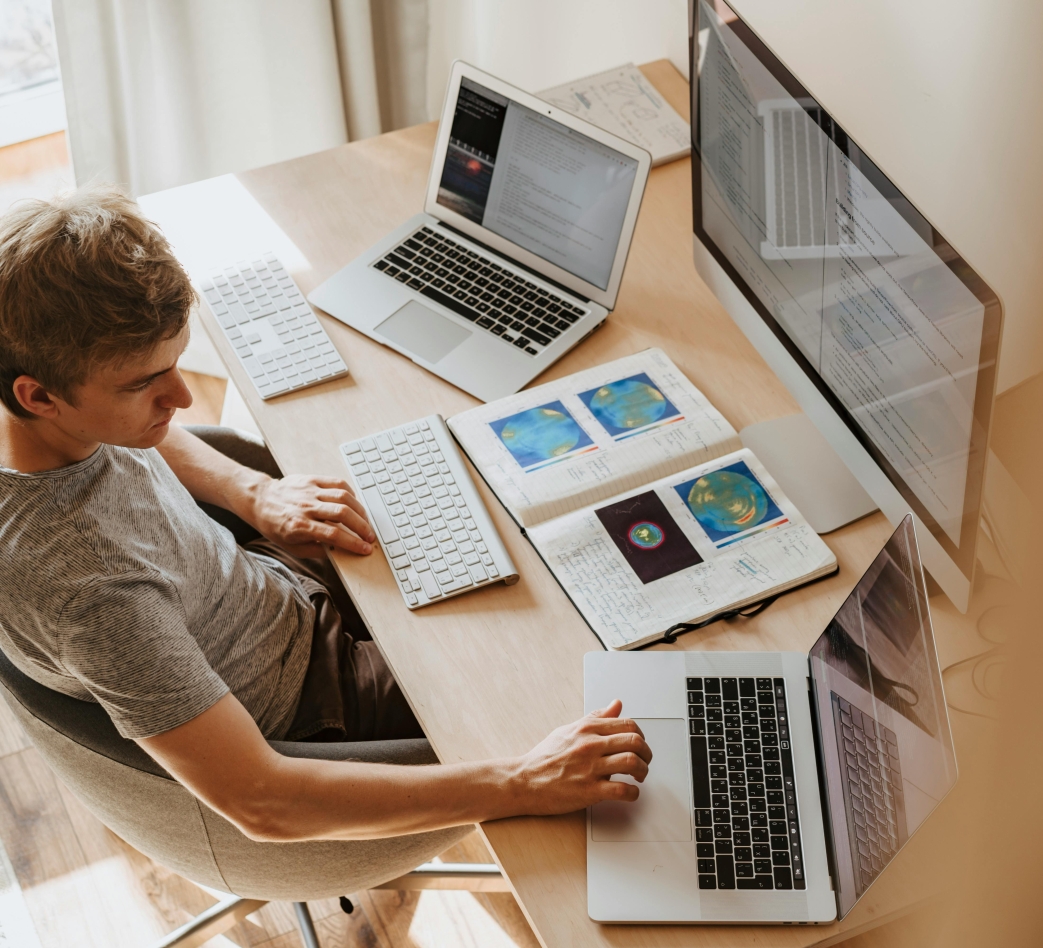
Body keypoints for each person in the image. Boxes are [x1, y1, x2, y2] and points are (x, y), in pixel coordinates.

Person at [0, 187, 651, 842]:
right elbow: (264, 802)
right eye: (146, 384)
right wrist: (522, 783)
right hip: (320, 707)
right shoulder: (95, 599)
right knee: (593, 679)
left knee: (510, 529)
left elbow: (139, 428)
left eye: (173, 364)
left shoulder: (40, 411)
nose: (182, 396)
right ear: (40, 396)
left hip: (268, 589)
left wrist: (252, 492)